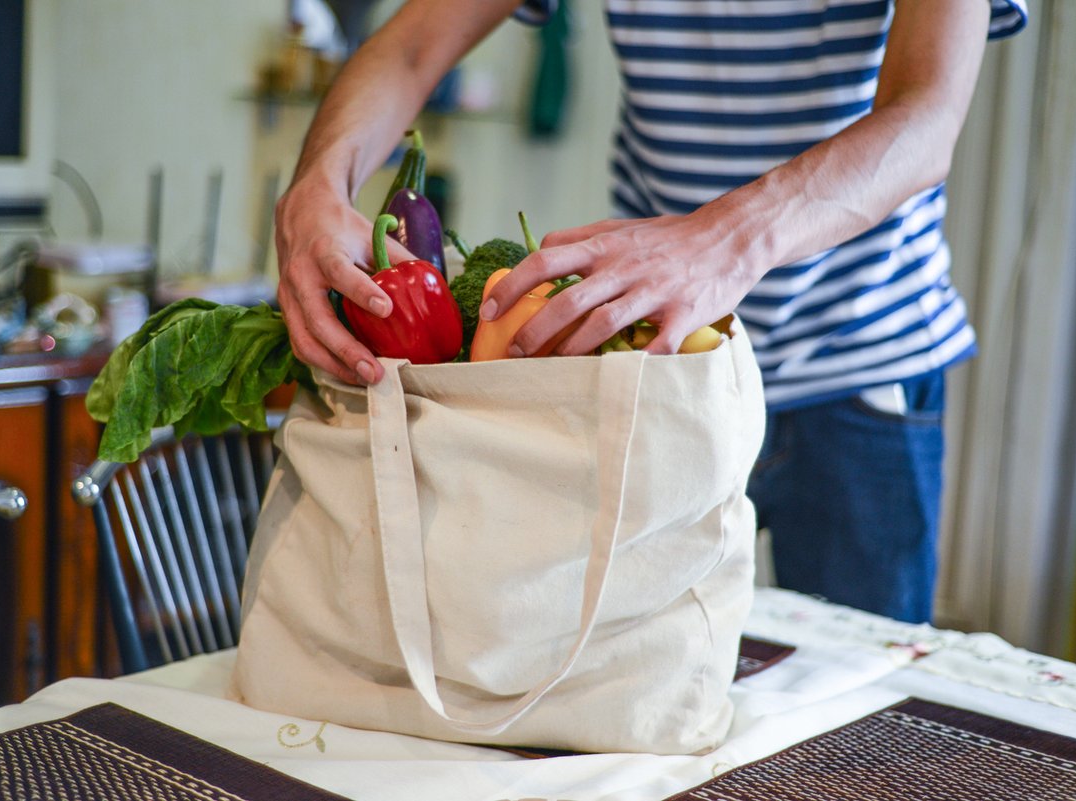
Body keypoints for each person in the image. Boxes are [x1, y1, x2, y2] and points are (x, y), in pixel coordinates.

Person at [273, 0, 1029, 624]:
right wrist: (318, 183)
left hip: (861, 364)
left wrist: (721, 243)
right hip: (650, 369)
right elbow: (411, 50)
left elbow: (927, 114)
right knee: (619, 693)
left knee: (859, 722)